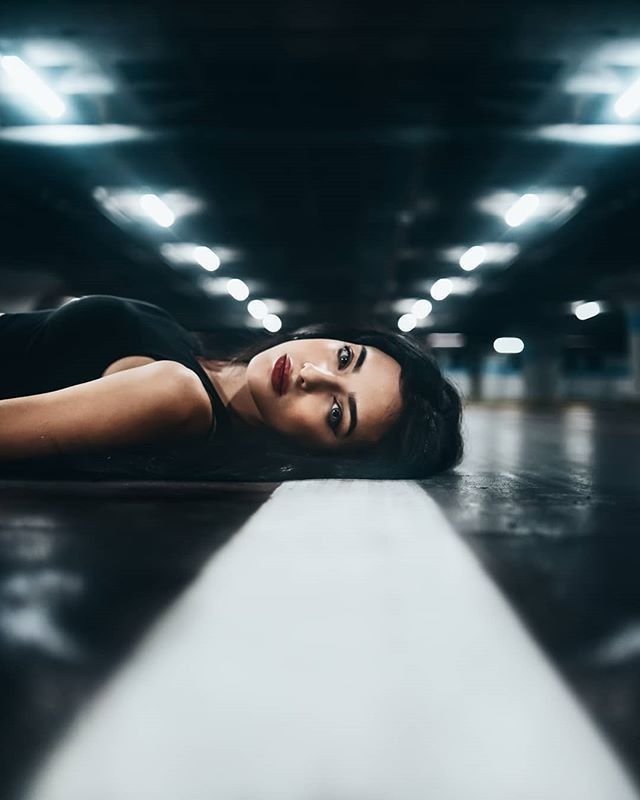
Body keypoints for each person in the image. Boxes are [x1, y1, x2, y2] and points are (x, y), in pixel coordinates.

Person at [0, 294, 463, 481]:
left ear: (322, 455)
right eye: (345, 358)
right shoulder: (193, 352)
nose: (314, 376)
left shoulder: (177, 397)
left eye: (337, 413)